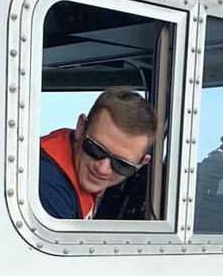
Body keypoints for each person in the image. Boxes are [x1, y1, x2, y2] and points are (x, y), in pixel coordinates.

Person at [39, 87, 155, 219]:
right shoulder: (47, 184)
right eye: (95, 149)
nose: (103, 169)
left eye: (121, 165)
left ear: (142, 163)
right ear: (81, 128)